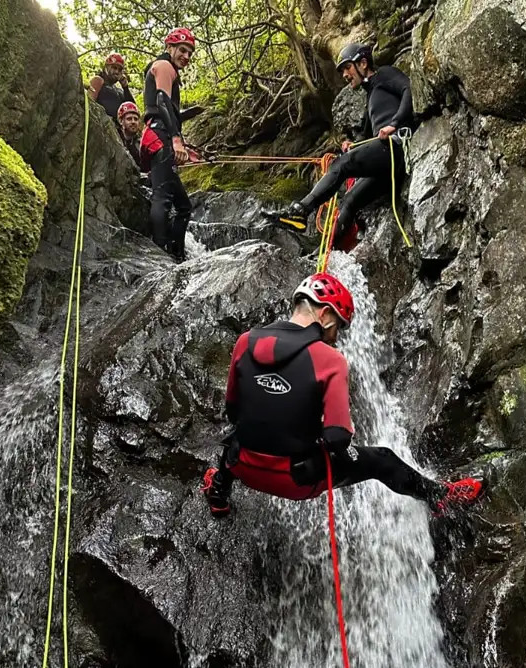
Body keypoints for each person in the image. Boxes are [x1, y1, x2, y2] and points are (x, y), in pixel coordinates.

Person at [201, 273, 482, 517]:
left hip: (243, 467)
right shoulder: (330, 360)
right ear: (323, 314)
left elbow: (233, 409)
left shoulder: (244, 341)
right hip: (296, 480)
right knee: (382, 459)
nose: (335, 337)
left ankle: (218, 491)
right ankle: (440, 497)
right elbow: (338, 439)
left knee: (235, 435)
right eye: (337, 326)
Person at [264, 43, 415, 250]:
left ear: (363, 63)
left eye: (347, 68)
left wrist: (394, 124)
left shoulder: (384, 75)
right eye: (343, 70)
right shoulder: (371, 96)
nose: (345, 74)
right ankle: (324, 253)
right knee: (350, 200)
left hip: (396, 147)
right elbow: (367, 135)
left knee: (341, 164)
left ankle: (302, 209)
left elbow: (409, 88)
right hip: (385, 165)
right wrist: (353, 146)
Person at [139, 27, 200, 263]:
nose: (186, 56)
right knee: (163, 198)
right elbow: (162, 102)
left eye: (189, 53)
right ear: (170, 48)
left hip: (161, 135)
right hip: (161, 136)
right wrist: (175, 139)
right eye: (182, 50)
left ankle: (176, 255)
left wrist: (182, 143)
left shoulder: (168, 69)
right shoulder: (164, 66)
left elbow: (168, 109)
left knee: (183, 206)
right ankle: (160, 255)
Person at [88, 53, 135, 121]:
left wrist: (125, 88)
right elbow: (89, 104)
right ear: (106, 67)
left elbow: (132, 110)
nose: (116, 72)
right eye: (114, 67)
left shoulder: (119, 91)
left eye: (119, 70)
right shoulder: (98, 80)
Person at [117, 101, 142, 167]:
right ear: (121, 121)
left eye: (136, 119)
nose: (133, 122)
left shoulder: (141, 144)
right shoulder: (114, 140)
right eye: (129, 119)